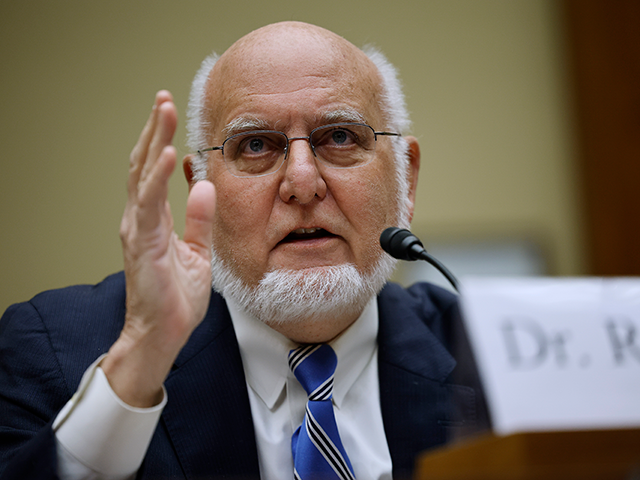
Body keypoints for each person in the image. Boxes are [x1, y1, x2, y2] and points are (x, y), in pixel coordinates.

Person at [0, 21, 488, 480]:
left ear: (407, 180)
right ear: (201, 192)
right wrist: (140, 363)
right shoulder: (47, 348)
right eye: (255, 145)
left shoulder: (490, 358)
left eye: (340, 137)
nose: (302, 182)